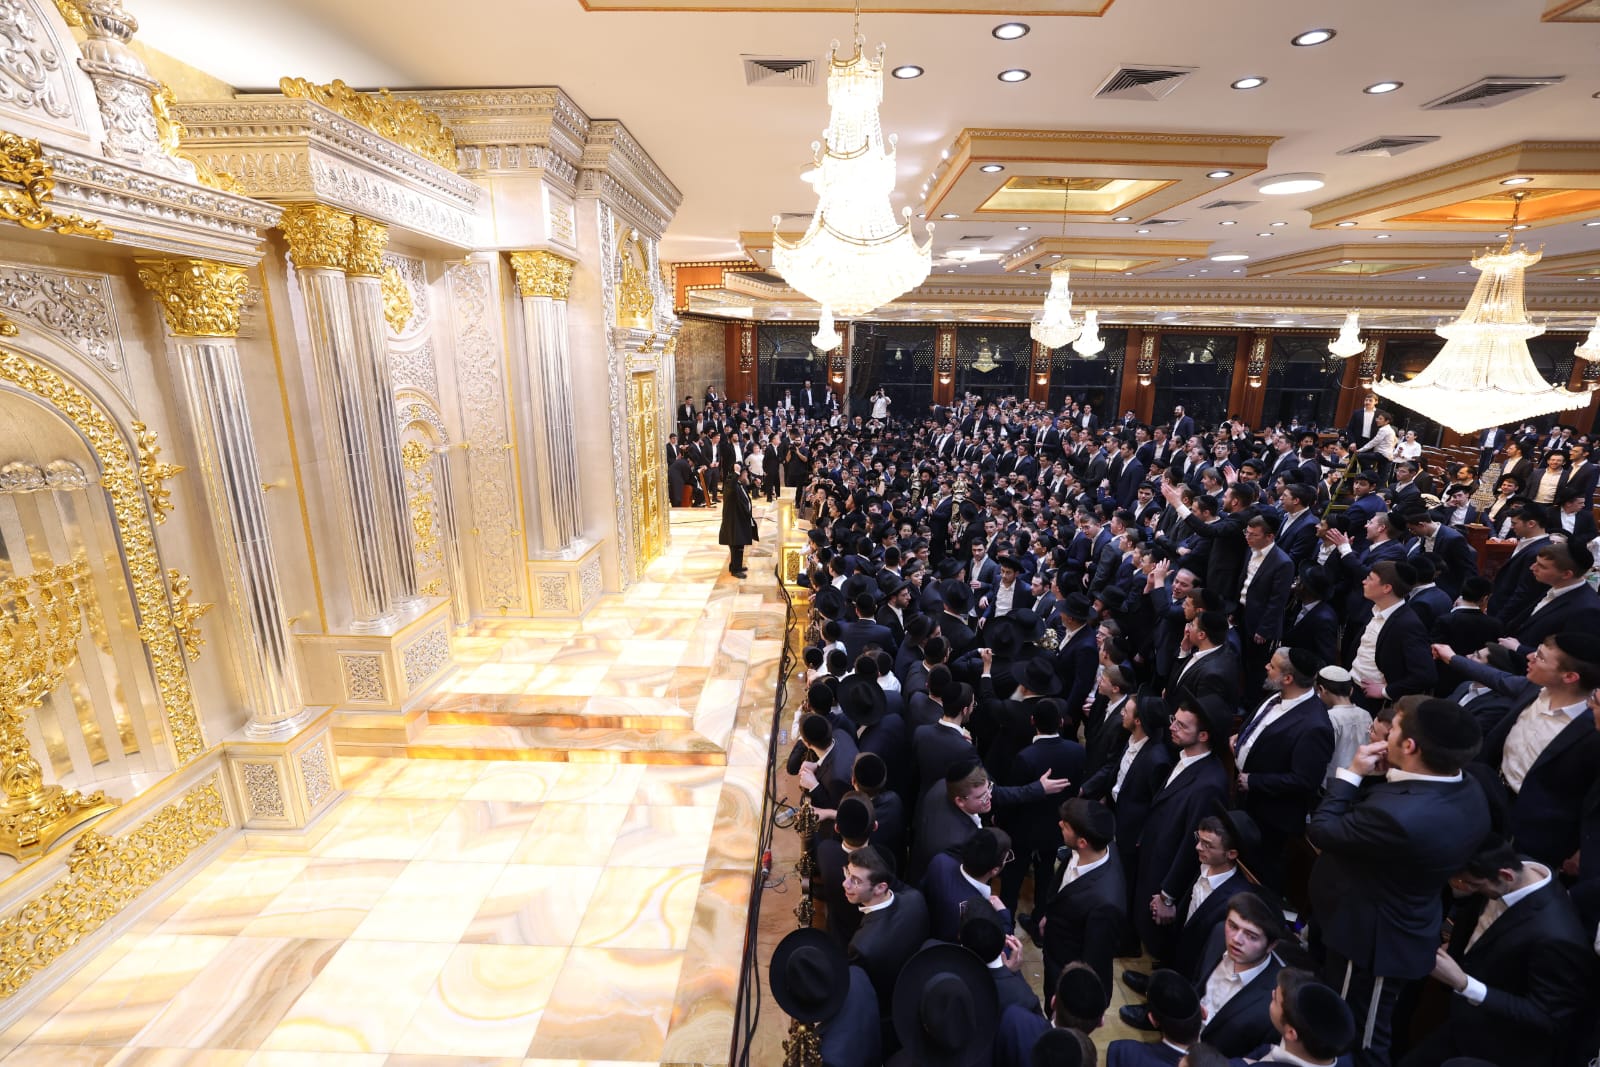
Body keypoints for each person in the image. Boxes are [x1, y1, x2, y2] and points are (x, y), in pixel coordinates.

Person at [1307, 698, 1491, 1067]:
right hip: (1396, 912)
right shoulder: (1466, 785)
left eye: (1394, 729)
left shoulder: (1400, 817)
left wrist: (1352, 773)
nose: (1386, 733)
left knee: (1357, 1035)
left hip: (1373, 941)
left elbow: (1323, 830)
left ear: (1409, 746)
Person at [1400, 836, 1594, 1067]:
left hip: (1501, 1047)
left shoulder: (1558, 937)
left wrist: (1464, 983)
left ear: (1506, 876)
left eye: (1470, 884)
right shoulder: (1514, 867)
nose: (1464, 888)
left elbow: (1547, 1018)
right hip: (1464, 1024)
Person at [719, 460, 756, 578]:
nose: (747, 475)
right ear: (739, 474)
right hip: (734, 521)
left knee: (739, 544)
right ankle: (735, 570)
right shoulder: (731, 484)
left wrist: (754, 485)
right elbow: (732, 485)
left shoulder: (739, 484)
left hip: (741, 519)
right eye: (745, 473)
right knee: (736, 545)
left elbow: (744, 491)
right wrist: (736, 471)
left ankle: (736, 565)